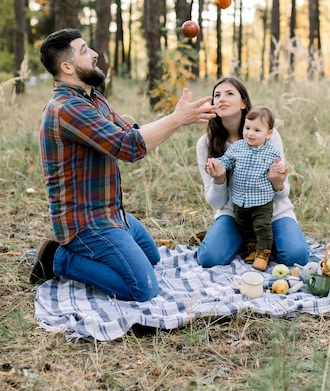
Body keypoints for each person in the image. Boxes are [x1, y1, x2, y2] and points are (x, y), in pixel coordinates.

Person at [30, 28, 216, 301]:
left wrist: (179, 117)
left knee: (152, 258)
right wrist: (178, 119)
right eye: (85, 51)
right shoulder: (67, 108)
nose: (94, 54)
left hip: (110, 214)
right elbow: (128, 147)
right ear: (67, 67)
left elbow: (130, 134)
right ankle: (59, 259)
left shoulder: (92, 98)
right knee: (143, 288)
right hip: (85, 223)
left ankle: (101, 252)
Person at [196, 76, 309, 270]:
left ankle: (262, 241)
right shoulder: (205, 144)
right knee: (208, 258)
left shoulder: (267, 136)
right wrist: (219, 180)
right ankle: (246, 240)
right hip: (235, 213)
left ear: (243, 102)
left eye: (229, 93)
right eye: (217, 95)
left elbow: (283, 194)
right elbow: (216, 203)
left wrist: (278, 182)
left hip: (271, 210)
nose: (222, 98)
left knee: (296, 256)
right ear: (213, 104)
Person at [206, 106, 286, 271]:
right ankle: (251, 247)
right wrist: (217, 164)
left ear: (268, 133)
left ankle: (263, 253)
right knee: (244, 226)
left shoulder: (272, 151)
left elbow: (278, 168)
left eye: (257, 130)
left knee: (262, 227)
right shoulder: (237, 147)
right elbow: (227, 160)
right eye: (247, 128)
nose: (250, 133)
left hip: (262, 201)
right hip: (239, 200)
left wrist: (279, 170)